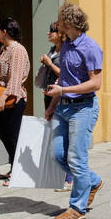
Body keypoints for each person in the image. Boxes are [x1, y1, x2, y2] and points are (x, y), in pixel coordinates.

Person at [45, 3, 103, 219]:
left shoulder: (90, 48)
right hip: (63, 107)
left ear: (68, 23)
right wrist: (53, 105)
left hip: (84, 108)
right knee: (57, 154)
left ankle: (77, 207)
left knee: (77, 158)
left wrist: (64, 90)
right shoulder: (66, 44)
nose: (57, 24)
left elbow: (95, 84)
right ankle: (93, 181)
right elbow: (65, 78)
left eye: (59, 21)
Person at [0, 17, 30, 186]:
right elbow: (2, 73)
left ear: (5, 32)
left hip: (13, 98)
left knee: (13, 135)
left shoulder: (17, 50)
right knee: (2, 133)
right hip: (2, 96)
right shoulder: (3, 49)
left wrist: (3, 98)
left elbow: (15, 78)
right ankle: (14, 167)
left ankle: (18, 171)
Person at [37, 22, 70, 192]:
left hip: (60, 96)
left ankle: (69, 178)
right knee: (53, 134)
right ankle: (59, 175)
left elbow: (65, 75)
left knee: (61, 137)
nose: (48, 33)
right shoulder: (53, 50)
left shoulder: (65, 51)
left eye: (52, 31)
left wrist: (49, 63)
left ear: (60, 34)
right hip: (50, 94)